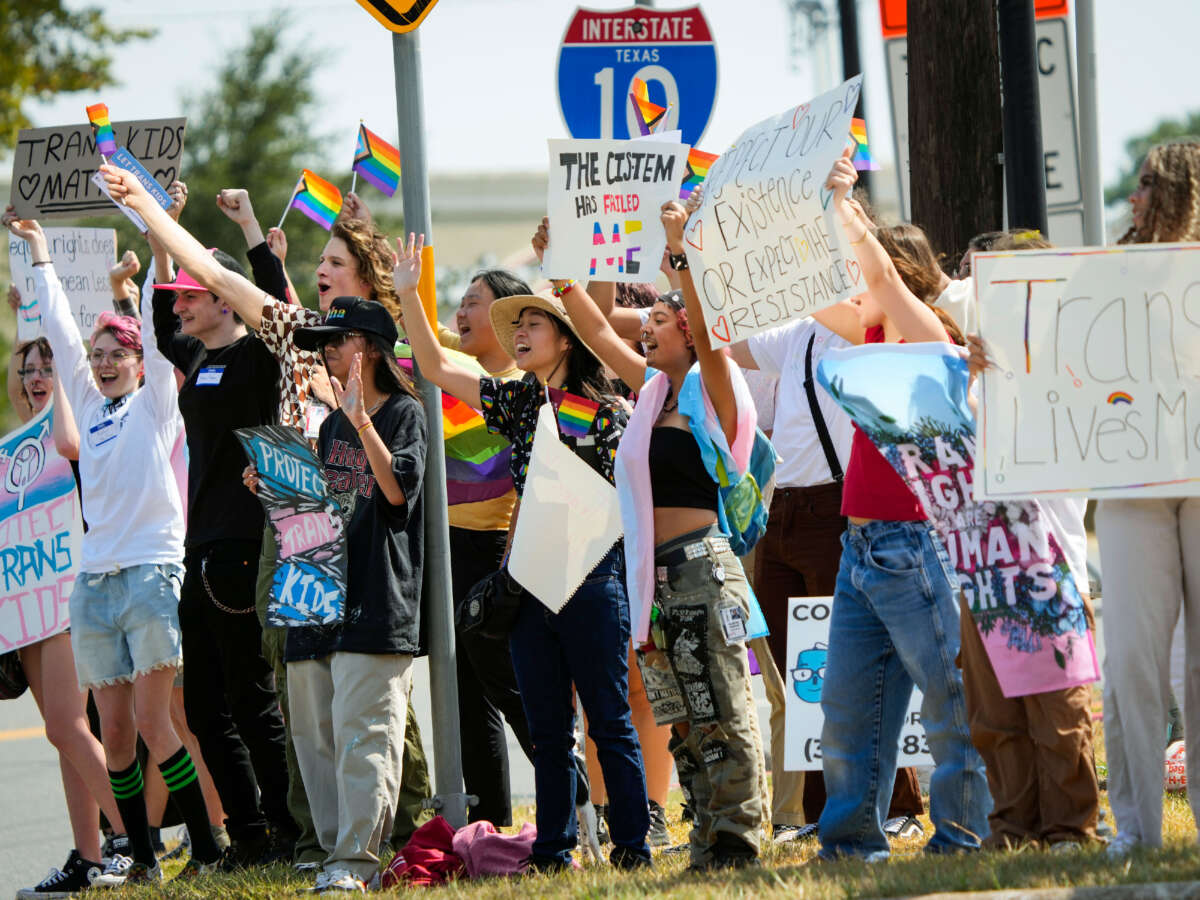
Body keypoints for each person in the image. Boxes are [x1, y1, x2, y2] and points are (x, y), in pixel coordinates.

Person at [394, 232, 652, 871]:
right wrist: (406, 297)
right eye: (518, 324)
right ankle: (554, 849)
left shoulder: (607, 404)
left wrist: (568, 266)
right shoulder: (515, 400)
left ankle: (632, 847)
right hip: (530, 579)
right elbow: (435, 366)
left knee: (609, 722)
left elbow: (595, 312)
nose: (521, 333)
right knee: (547, 728)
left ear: (566, 339)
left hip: (595, 578)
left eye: (534, 322)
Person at [534, 203, 769, 869]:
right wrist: (562, 275)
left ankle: (738, 842)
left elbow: (715, 337)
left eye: (661, 323)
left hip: (700, 570)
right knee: (684, 718)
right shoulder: (652, 394)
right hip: (655, 582)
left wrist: (680, 252)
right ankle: (705, 839)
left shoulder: (709, 389)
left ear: (689, 332)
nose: (645, 333)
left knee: (721, 709)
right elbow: (598, 335)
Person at [2, 206, 224, 885]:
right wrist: (38, 251)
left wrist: (158, 235)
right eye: (96, 359)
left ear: (137, 361)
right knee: (119, 734)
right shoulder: (89, 402)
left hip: (152, 573)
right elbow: (62, 332)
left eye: (112, 356)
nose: (100, 365)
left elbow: (160, 329)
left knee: (159, 724)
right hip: (95, 583)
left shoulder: (157, 399)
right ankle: (144, 859)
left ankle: (211, 851)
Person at [812, 151, 989, 861]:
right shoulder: (874, 331)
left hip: (914, 544)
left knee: (948, 700)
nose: (852, 282)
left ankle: (964, 833)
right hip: (864, 550)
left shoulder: (929, 333)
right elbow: (789, 294)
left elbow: (878, 273)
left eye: (860, 271)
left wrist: (843, 202)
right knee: (849, 711)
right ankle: (851, 841)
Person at [243, 297, 428, 893]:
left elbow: (398, 489)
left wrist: (364, 422)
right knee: (316, 735)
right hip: (319, 598)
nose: (325, 348)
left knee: (364, 733)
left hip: (377, 598)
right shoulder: (332, 427)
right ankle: (330, 856)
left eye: (337, 339)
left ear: (371, 348)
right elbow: (323, 513)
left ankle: (357, 861)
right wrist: (274, 487)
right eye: (322, 341)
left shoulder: (403, 413)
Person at [145, 193, 296, 867]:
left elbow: (278, 309)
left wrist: (245, 230)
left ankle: (288, 829)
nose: (180, 307)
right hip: (199, 546)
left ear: (225, 301)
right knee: (203, 707)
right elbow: (157, 328)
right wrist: (157, 239)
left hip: (243, 542)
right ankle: (249, 832)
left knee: (251, 697)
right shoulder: (199, 359)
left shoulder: (256, 358)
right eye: (178, 298)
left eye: (192, 297)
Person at [964, 233, 1101, 848]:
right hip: (982, 564)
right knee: (995, 715)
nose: (971, 292)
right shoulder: (965, 371)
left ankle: (1070, 827)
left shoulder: (1064, 363)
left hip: (1048, 565)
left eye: (983, 278)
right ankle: (1014, 828)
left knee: (1057, 711)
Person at [1098, 140, 1200, 857]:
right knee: (1133, 657)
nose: (1132, 199)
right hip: (1131, 485)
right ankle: (1135, 827)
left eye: (1144, 185)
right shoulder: (1102, 276)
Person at [6, 327, 130, 898]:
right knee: (63, 734)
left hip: (69, 597)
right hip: (26, 605)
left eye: (48, 367)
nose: (37, 376)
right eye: (28, 367)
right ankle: (89, 857)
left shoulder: (81, 431)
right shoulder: (14, 449)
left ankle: (134, 843)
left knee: (67, 724)